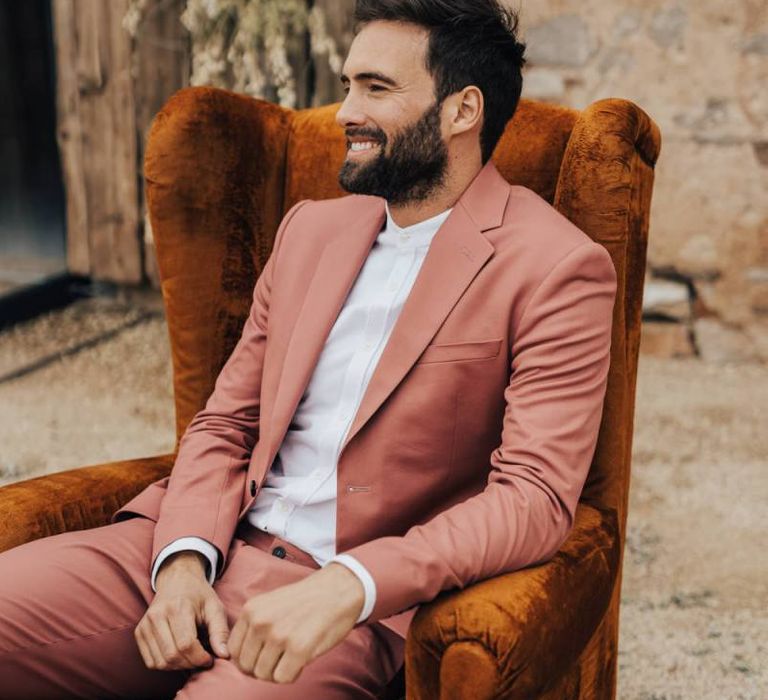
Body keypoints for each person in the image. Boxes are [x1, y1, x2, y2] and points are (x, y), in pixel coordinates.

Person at [0, 1, 618, 698]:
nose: (344, 111)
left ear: (462, 110)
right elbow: (226, 424)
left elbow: (533, 498)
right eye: (348, 84)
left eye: (376, 89)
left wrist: (352, 585)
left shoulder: (558, 266)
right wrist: (180, 563)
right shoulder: (311, 231)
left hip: (348, 604)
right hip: (196, 546)